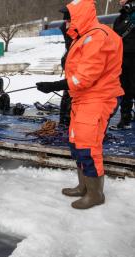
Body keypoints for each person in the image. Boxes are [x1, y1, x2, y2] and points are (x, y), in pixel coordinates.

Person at [36, 0, 124, 209]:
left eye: (69, 17)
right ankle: (83, 186)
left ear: (80, 17)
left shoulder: (96, 37)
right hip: (83, 98)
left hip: (99, 97)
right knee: (76, 143)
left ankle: (95, 194)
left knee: (88, 145)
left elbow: (85, 77)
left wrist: (55, 85)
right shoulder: (84, 37)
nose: (66, 22)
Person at [111, 0, 135, 130]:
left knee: (130, 88)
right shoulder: (122, 16)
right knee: (124, 88)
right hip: (122, 57)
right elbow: (116, 33)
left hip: (131, 56)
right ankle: (125, 119)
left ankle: (126, 119)